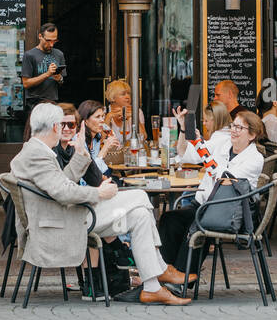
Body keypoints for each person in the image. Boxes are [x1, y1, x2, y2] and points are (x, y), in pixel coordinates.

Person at [11, 103, 193, 305]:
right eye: (61, 125)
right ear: (55, 127)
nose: (64, 130)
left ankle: (152, 287)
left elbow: (61, 182)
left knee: (140, 215)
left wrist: (80, 155)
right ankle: (161, 269)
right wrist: (99, 192)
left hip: (65, 215)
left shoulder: (35, 150)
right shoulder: (38, 154)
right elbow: (62, 192)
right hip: (65, 220)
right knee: (140, 195)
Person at [158, 110, 267, 273]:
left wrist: (201, 146)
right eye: (233, 125)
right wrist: (183, 131)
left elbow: (224, 180)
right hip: (203, 206)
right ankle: (165, 272)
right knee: (169, 219)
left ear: (252, 134)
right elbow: (186, 155)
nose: (233, 130)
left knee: (195, 227)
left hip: (229, 213)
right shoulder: (223, 144)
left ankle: (183, 278)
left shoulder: (255, 158)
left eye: (239, 127)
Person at [21, 23, 65, 108]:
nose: (51, 44)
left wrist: (59, 79)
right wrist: (47, 74)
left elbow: (62, 82)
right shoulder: (29, 55)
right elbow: (26, 83)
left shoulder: (59, 54)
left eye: (54, 41)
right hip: (34, 102)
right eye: (48, 40)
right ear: (40, 36)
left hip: (53, 101)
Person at [79, 99, 122, 181]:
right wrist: (105, 149)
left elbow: (99, 170)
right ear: (85, 121)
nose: (102, 120)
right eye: (97, 117)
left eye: (103, 116)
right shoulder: (79, 140)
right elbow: (87, 176)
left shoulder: (96, 138)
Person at [103, 79, 147, 143]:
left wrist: (134, 118)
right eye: (123, 94)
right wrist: (108, 117)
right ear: (113, 97)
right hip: (111, 152)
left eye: (128, 93)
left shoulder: (137, 111)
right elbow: (101, 139)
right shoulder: (103, 112)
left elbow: (143, 137)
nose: (128, 97)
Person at [54, 102, 78, 170]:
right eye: (61, 124)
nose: (66, 129)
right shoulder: (51, 150)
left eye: (71, 124)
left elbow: (94, 177)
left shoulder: (74, 148)